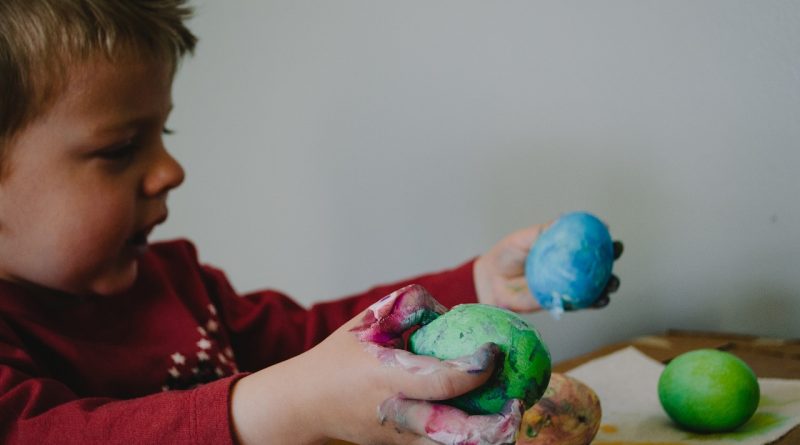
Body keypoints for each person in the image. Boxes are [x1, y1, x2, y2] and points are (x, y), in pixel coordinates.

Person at [0, 1, 622, 444]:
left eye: (165, 133)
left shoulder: (182, 285)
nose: (170, 169)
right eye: (120, 147)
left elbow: (321, 343)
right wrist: (281, 408)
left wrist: (477, 288)